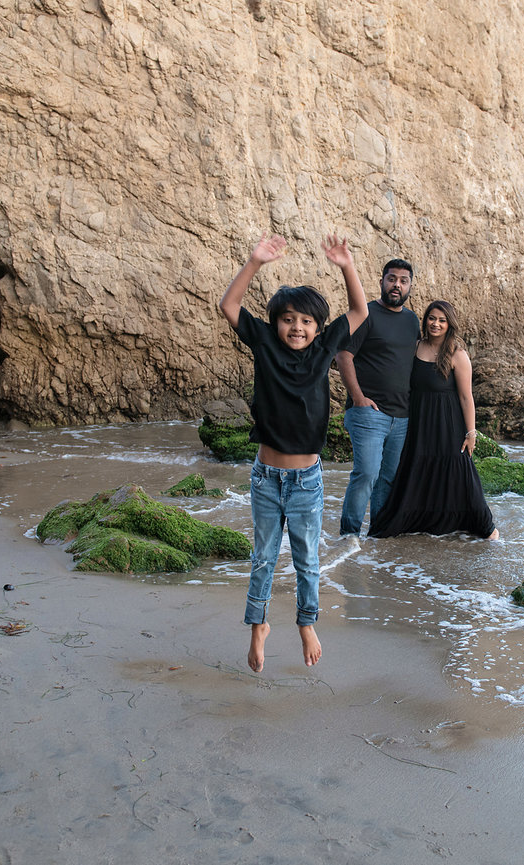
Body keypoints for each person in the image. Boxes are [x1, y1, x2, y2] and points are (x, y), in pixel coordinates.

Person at [218, 233, 368, 673]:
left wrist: (346, 266)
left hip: (306, 481)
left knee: (307, 560)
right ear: (275, 324)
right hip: (265, 478)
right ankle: (258, 626)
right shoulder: (264, 344)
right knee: (263, 558)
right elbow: (229, 306)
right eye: (288, 320)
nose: (296, 328)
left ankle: (306, 624)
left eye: (305, 321)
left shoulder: (324, 349)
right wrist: (253, 263)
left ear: (318, 329)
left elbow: (359, 312)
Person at [368, 300, 498, 540]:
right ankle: (422, 523)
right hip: (418, 421)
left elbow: (466, 397)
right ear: (425, 320)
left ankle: (488, 529)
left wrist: (471, 433)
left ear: (450, 324)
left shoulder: (457, 355)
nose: (435, 324)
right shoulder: (415, 347)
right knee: (417, 469)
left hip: (448, 423)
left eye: (442, 320)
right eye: (432, 318)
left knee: (459, 472)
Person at [336, 258, 421, 535]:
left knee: (389, 478)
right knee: (367, 474)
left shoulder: (412, 320)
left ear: (410, 286)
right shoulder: (365, 314)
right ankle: (349, 536)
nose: (397, 285)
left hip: (403, 415)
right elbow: (343, 355)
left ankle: (379, 536)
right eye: (392, 278)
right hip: (369, 413)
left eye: (403, 281)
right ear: (382, 280)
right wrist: (358, 398)